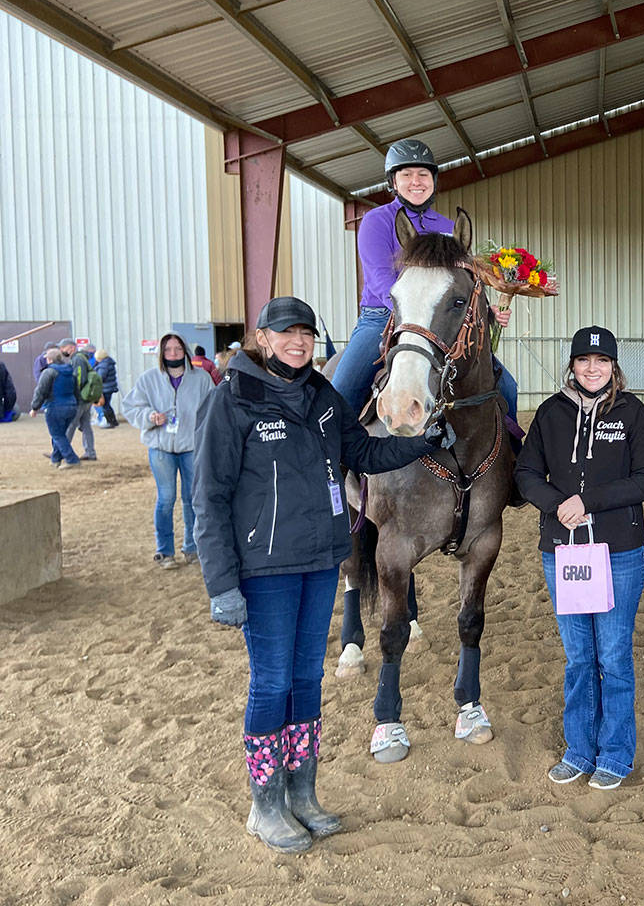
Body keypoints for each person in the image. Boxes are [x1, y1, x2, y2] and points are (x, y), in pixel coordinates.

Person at [192, 296, 450, 854]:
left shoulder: (324, 397)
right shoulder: (232, 400)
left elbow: (363, 452)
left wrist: (423, 441)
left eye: (306, 334)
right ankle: (265, 806)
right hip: (264, 570)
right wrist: (221, 584)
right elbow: (208, 498)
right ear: (263, 339)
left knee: (307, 680)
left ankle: (303, 795)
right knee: (271, 683)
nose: (299, 343)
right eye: (287, 334)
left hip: (318, 563)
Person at [515, 326, 644, 791]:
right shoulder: (549, 413)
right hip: (564, 554)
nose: (592, 368)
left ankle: (616, 753)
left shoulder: (632, 413)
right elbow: (525, 472)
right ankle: (579, 749)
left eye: (601, 361)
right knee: (580, 657)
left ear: (613, 366)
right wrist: (557, 503)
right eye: (583, 360)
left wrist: (588, 500)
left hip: (619, 552)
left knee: (614, 656)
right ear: (573, 365)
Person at [122, 333, 215, 569]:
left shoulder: (202, 379)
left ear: (185, 350)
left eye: (177, 348)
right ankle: (164, 551)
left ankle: (192, 547)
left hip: (191, 447)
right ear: (161, 354)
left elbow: (213, 408)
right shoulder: (148, 379)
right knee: (166, 499)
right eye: (168, 350)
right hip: (161, 447)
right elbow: (131, 406)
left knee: (192, 499)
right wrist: (149, 417)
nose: (173, 354)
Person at [28, 347, 81, 467]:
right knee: (60, 433)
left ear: (50, 360)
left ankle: (72, 459)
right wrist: (76, 404)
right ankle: (55, 459)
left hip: (55, 406)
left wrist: (35, 407)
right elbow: (76, 390)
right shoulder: (70, 371)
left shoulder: (49, 372)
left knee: (57, 434)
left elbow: (41, 391)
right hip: (71, 406)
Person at [58, 338, 97, 461]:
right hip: (85, 399)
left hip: (79, 399)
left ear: (71, 348)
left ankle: (61, 452)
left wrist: (72, 394)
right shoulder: (82, 358)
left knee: (70, 425)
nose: (61, 351)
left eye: (63, 348)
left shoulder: (77, 359)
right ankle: (90, 453)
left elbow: (79, 379)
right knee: (86, 426)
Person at [94, 348, 119, 428]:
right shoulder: (108, 363)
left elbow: (100, 377)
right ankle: (113, 421)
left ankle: (110, 422)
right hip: (109, 387)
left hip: (105, 388)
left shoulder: (103, 365)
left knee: (105, 405)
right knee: (107, 404)